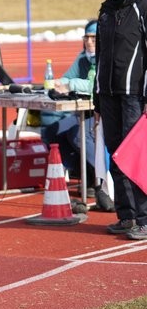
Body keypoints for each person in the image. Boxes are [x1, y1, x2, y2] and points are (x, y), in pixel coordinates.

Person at [94, 0, 147, 239]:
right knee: (115, 155)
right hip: (109, 94)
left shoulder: (143, 5)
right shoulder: (105, 10)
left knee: (136, 156)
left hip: (135, 94)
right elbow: (99, 56)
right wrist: (96, 99)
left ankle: (145, 218)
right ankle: (127, 216)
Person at [40, 19, 113, 209]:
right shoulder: (83, 58)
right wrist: (57, 82)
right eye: (87, 37)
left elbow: (95, 85)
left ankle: (104, 182)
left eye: (94, 38)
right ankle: (74, 174)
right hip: (84, 111)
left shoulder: (108, 57)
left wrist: (70, 85)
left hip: (105, 112)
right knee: (52, 129)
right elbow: (68, 77)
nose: (89, 42)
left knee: (78, 134)